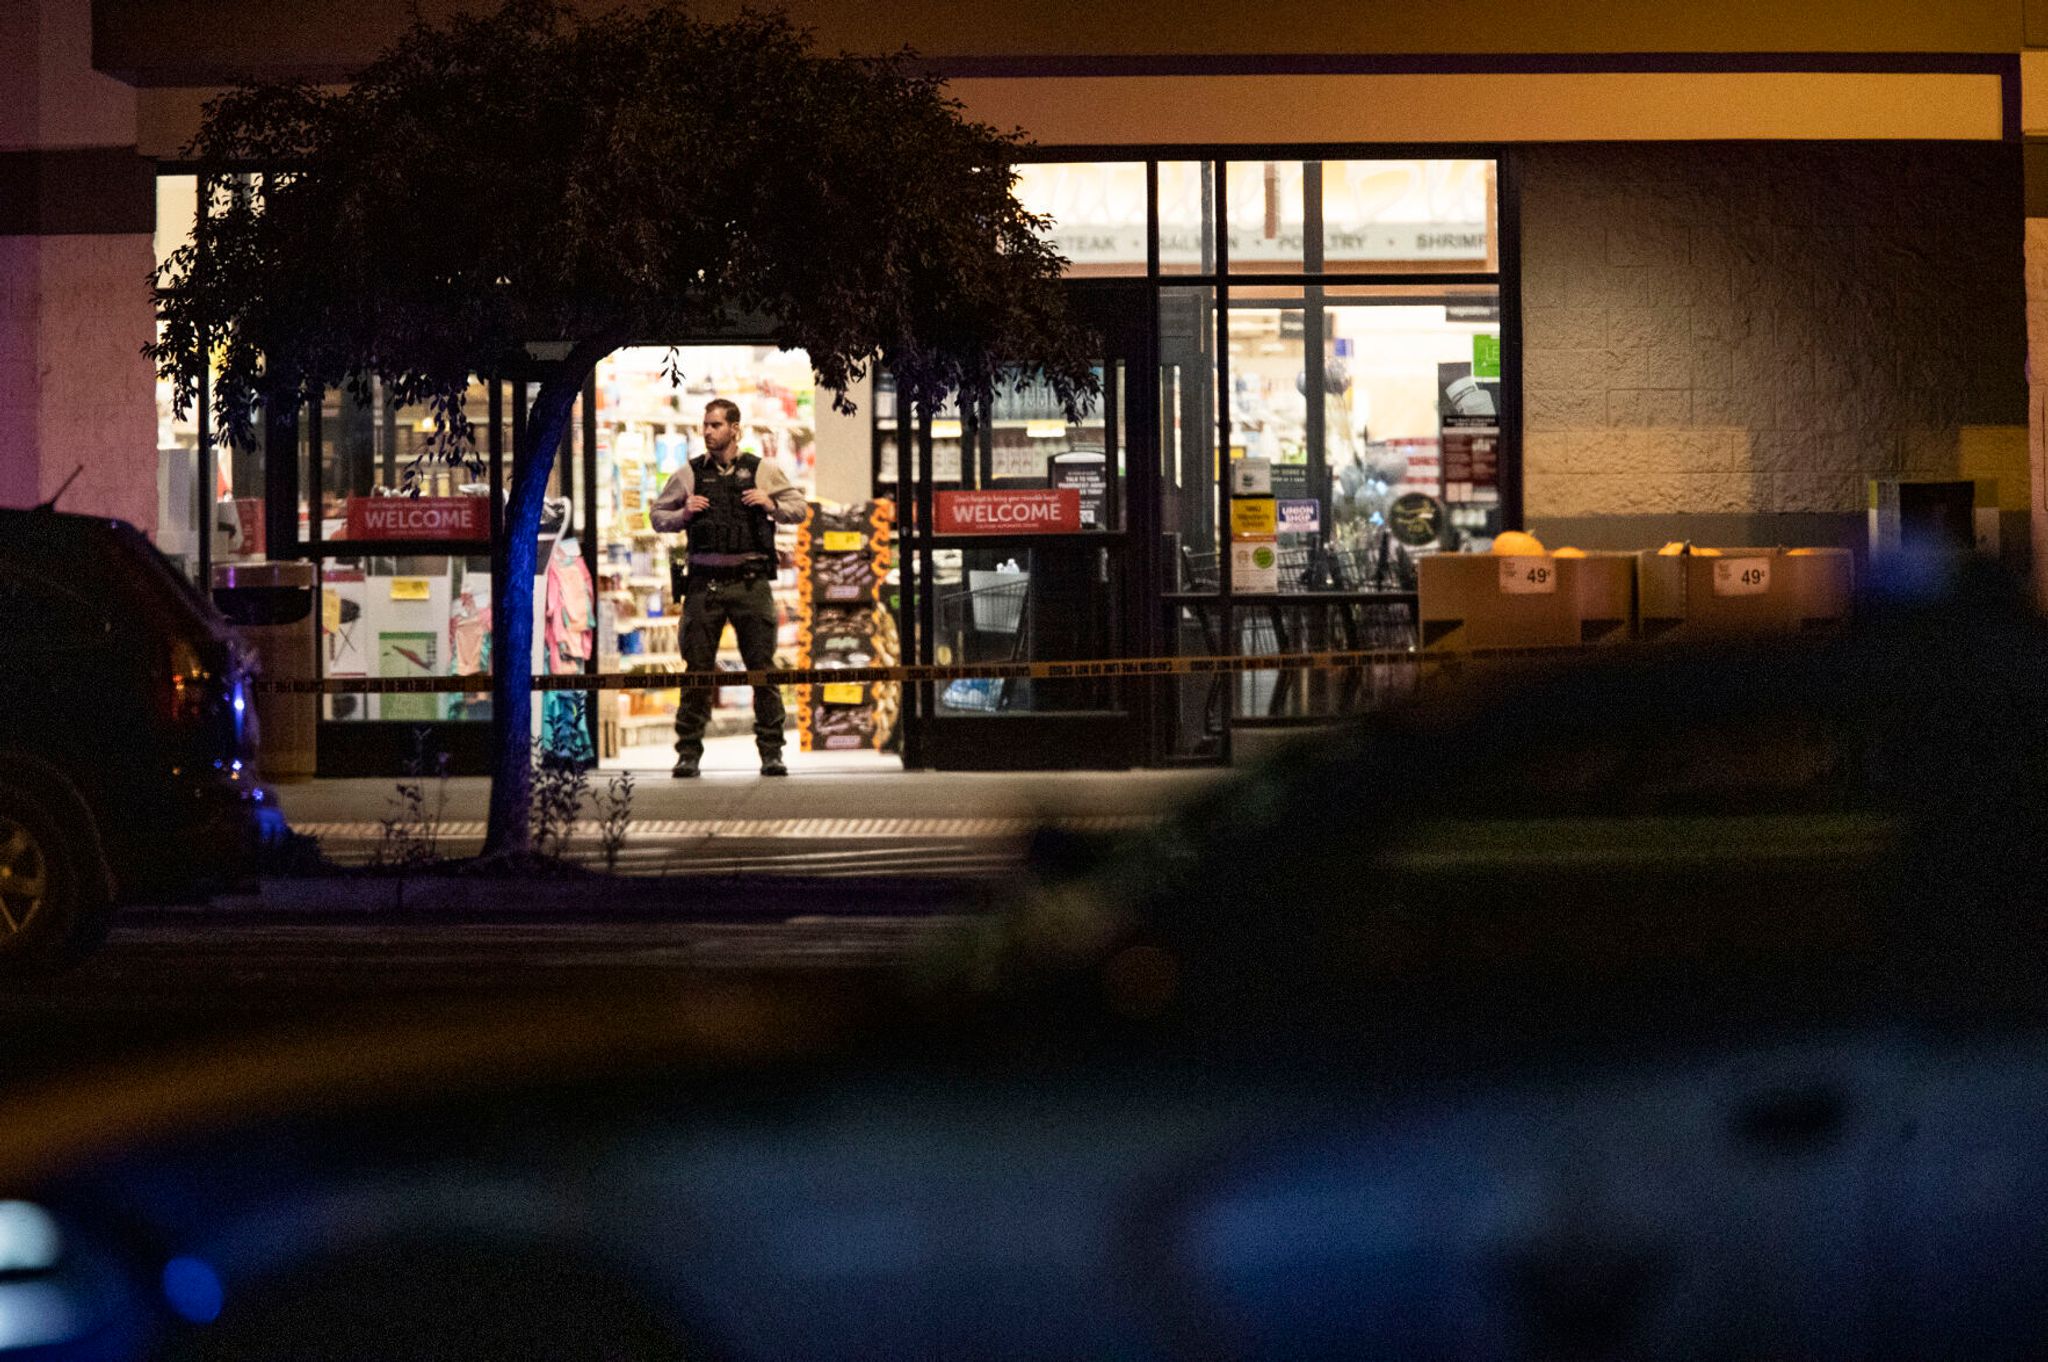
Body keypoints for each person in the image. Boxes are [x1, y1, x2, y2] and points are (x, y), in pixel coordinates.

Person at [649, 399, 809, 777]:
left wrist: (771, 503)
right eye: (705, 425)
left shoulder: (762, 470)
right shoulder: (690, 473)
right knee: (697, 672)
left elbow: (799, 509)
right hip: (704, 585)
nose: (708, 432)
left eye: (716, 425)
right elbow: (658, 517)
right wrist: (684, 514)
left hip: (750, 584)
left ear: (735, 429)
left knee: (762, 671)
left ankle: (772, 751)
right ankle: (688, 752)